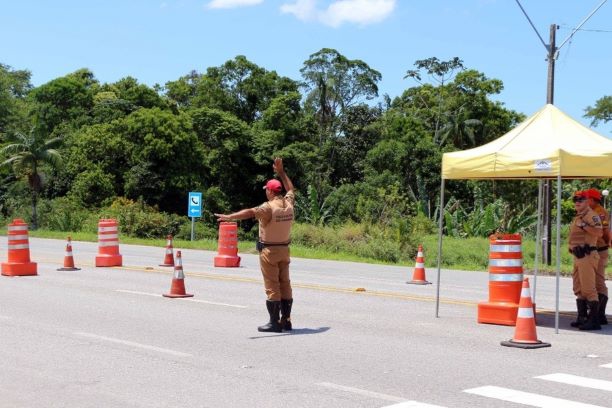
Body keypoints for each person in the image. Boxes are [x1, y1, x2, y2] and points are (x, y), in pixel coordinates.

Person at [215, 158, 295, 333]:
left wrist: (230, 217)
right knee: (285, 284)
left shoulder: (268, 208)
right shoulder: (288, 203)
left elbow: (251, 212)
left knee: (272, 286)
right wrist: (281, 172)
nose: (265, 192)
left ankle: (274, 323)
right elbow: (290, 188)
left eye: (266, 190)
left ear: (270, 192)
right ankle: (286, 320)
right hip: (284, 250)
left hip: (270, 251)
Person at [568, 190, 603, 330]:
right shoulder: (579, 216)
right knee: (578, 288)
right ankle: (582, 317)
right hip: (578, 256)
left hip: (587, 255)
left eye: (581, 199)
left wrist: (584, 225)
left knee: (589, 289)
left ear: (587, 201)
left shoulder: (591, 216)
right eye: (575, 199)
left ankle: (594, 321)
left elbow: (599, 233)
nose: (577, 202)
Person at [585, 188, 611, 325]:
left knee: (599, 281)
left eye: (587, 198)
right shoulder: (589, 211)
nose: (584, 201)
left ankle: (600, 314)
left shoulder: (601, 212)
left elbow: (603, 232)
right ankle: (594, 313)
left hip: (600, 249)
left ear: (593, 199)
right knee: (592, 282)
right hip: (592, 250)